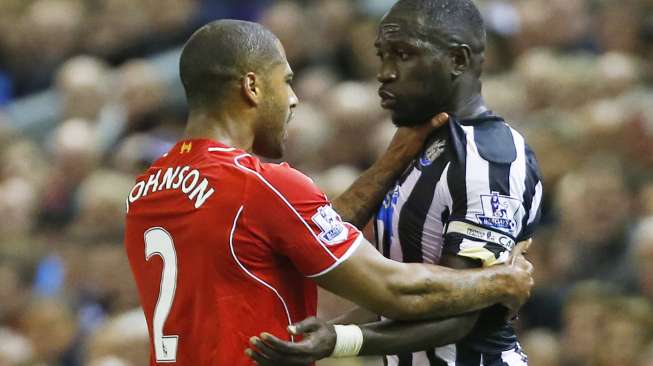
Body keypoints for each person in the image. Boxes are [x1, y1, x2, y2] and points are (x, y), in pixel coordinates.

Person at [123, 19, 534, 366]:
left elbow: (293, 233)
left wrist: (391, 161)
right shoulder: (258, 184)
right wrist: (501, 280)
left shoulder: (146, 189)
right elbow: (397, 291)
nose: (294, 99)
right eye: (285, 81)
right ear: (252, 86)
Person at [247, 0, 544, 365]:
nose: (384, 73)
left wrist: (340, 339)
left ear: (458, 61)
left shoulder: (488, 156)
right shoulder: (419, 146)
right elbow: (402, 299)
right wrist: (326, 335)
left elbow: (465, 309)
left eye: (403, 55)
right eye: (382, 55)